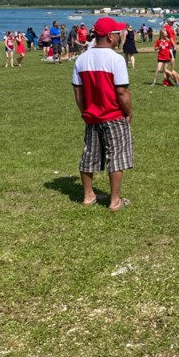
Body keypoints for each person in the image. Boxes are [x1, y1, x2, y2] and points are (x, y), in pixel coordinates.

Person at [72, 17, 134, 211]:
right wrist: (129, 112)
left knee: (89, 154)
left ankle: (88, 195)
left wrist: (85, 112)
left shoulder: (81, 58)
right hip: (113, 115)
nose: (119, 36)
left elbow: (78, 91)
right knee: (116, 156)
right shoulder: (116, 59)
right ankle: (115, 200)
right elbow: (122, 91)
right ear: (109, 36)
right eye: (117, 33)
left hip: (92, 116)